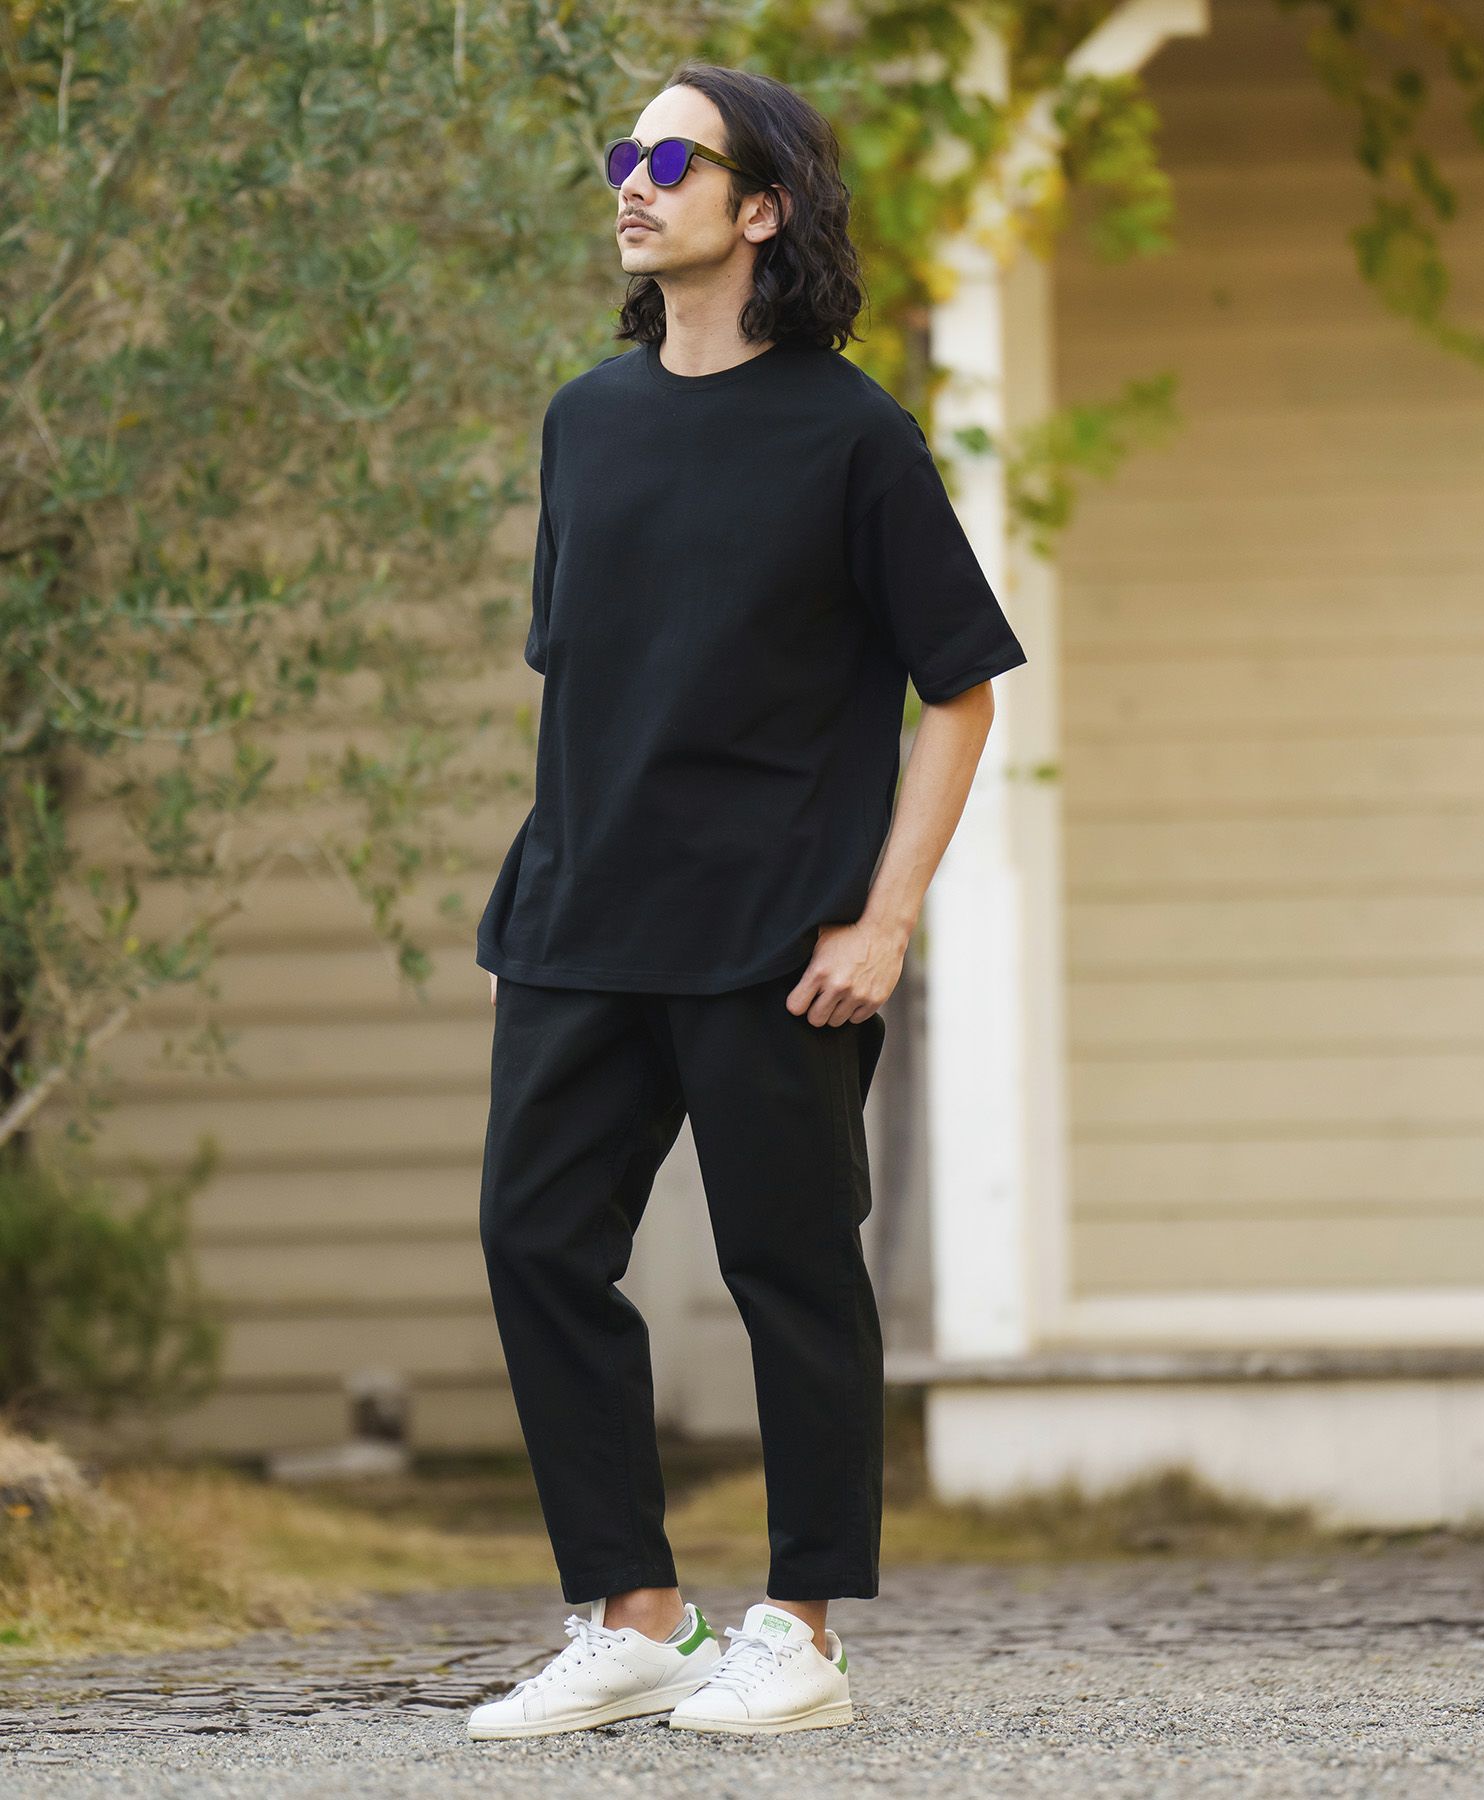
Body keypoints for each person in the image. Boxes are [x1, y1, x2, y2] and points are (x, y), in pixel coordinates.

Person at [466, 59, 1026, 1743]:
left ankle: (801, 1629)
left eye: (673, 159)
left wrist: (886, 920)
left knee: (790, 1270)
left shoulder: (852, 435)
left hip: (782, 940)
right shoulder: (586, 421)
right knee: (534, 1239)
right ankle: (634, 1615)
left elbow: (962, 691)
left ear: (761, 208)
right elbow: (591, 676)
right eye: (622, 155)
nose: (633, 183)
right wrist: (555, 885)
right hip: (580, 917)